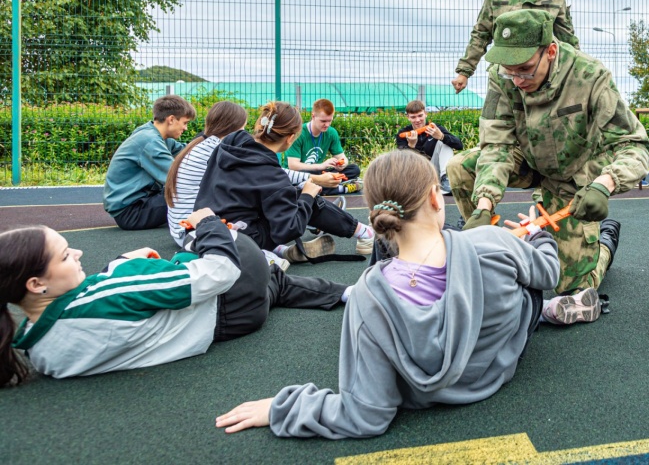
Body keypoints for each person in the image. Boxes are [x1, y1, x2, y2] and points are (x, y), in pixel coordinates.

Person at [216, 149, 601, 439]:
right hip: (499, 361)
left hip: (430, 390)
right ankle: (549, 307)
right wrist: (538, 236)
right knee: (530, 281)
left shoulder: (368, 297)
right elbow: (548, 272)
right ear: (436, 197)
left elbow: (364, 415)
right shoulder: (492, 242)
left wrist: (283, 408)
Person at [0, 208, 351, 384]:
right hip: (230, 298)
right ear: (36, 284)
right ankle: (284, 263)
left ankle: (339, 292)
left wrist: (120, 264)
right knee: (231, 242)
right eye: (65, 255)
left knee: (273, 286)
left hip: (228, 324)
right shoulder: (112, 291)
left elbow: (97, 308)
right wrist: (209, 224)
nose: (77, 253)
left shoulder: (40, 353)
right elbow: (220, 273)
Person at [448, 9, 649, 297]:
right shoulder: (502, 76)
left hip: (574, 175)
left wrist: (605, 184)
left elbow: (634, 144)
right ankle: (487, 251)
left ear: (551, 52)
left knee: (572, 289)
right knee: (460, 166)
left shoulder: (589, 76)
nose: (517, 80)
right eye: (509, 71)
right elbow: (496, 145)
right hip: (529, 161)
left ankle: (604, 242)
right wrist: (484, 205)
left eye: (525, 69)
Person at [196, 101, 375, 261]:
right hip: (241, 239)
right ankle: (364, 233)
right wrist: (307, 197)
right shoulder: (272, 175)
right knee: (302, 198)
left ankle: (278, 252)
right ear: (290, 138)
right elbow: (289, 229)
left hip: (204, 227)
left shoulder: (229, 144)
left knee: (295, 195)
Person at [164, 101, 338, 264]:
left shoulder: (208, 145)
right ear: (231, 129)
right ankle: (266, 256)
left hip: (189, 225)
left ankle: (278, 251)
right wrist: (312, 181)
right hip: (197, 230)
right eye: (242, 129)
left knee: (263, 201)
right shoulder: (221, 149)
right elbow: (270, 175)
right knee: (271, 206)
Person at [103, 94, 196, 230]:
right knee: (192, 193)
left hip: (139, 202)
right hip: (131, 212)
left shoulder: (155, 135)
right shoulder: (150, 142)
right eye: (185, 123)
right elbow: (178, 178)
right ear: (171, 119)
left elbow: (188, 152)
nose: (185, 128)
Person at [284, 98, 361, 195]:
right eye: (323, 121)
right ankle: (342, 188)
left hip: (319, 172)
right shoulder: (299, 133)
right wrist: (321, 166)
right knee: (304, 181)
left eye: (330, 121)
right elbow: (293, 166)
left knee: (354, 169)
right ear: (313, 116)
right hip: (300, 174)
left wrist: (342, 164)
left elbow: (342, 157)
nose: (327, 124)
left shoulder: (331, 133)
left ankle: (327, 184)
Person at [396, 100, 463, 195]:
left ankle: (446, 179)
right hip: (416, 173)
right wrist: (411, 146)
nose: (417, 120)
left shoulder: (435, 128)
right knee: (402, 157)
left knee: (444, 142)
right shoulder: (403, 133)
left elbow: (459, 145)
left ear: (425, 114)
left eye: (420, 115)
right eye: (413, 117)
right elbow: (403, 162)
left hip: (435, 170)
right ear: (408, 117)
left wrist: (442, 137)